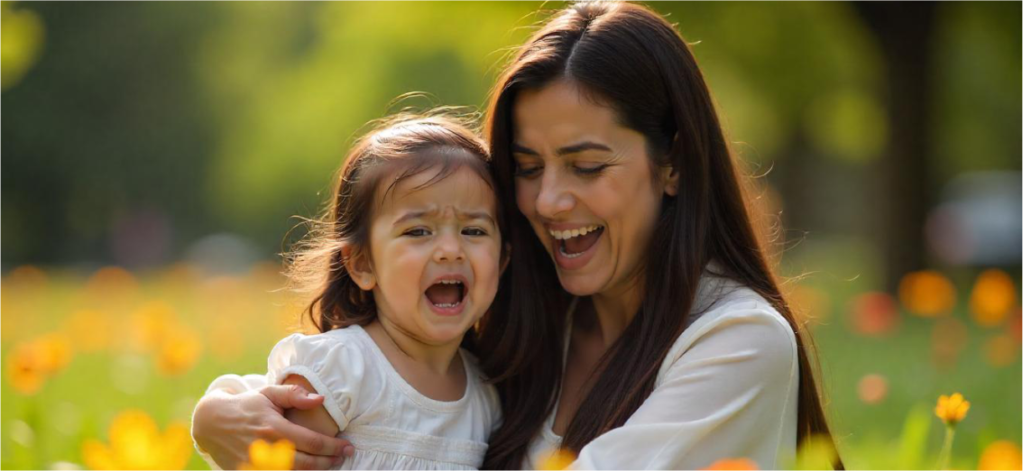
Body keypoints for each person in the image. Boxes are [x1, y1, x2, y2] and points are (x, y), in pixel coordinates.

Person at [193, 2, 845, 470]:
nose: (550, 200)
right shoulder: (530, 316)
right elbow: (371, 380)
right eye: (527, 169)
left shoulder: (738, 339)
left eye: (587, 166)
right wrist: (220, 409)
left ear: (671, 162)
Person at [192, 115, 505, 470]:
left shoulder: (485, 396)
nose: (451, 249)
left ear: (504, 258)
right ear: (362, 264)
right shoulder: (343, 370)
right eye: (418, 232)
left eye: (474, 231)